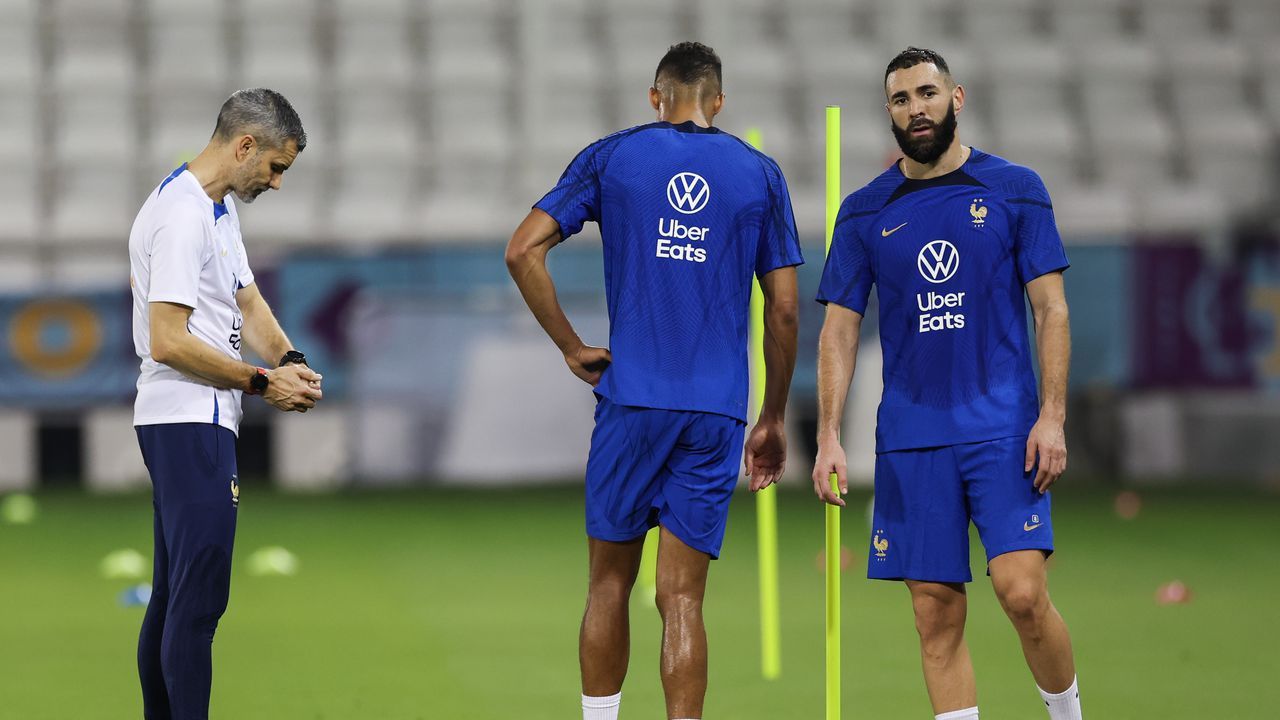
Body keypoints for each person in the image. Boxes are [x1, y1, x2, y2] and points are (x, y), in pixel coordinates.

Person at [506, 41, 803, 720]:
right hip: (717, 410)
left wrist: (570, 345)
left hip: (633, 397)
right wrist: (774, 416)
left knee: (609, 583)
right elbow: (784, 309)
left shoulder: (613, 156)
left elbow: (522, 249)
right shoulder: (760, 173)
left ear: (655, 97)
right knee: (684, 599)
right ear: (718, 102)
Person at [811, 48, 1082, 720]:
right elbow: (839, 332)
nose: (916, 109)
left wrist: (1052, 417)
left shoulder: (1015, 187)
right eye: (901, 99)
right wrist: (826, 437)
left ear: (956, 97)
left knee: (1022, 593)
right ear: (890, 112)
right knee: (934, 617)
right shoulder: (863, 211)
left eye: (927, 93)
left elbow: (1051, 310)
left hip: (1003, 428)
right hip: (912, 436)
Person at [128, 87, 323, 720]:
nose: (276, 182)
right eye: (275, 167)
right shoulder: (183, 216)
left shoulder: (212, 208)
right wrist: (264, 383)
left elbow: (248, 304)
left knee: (174, 597)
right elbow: (167, 341)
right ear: (244, 146)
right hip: (187, 417)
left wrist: (290, 362)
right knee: (199, 603)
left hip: (192, 419)